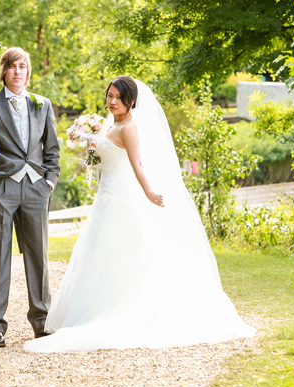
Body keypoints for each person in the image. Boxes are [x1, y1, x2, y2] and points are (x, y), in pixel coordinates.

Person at [24, 76, 255, 353]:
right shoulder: (109, 124)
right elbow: (96, 163)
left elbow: (138, 164)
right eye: (109, 96)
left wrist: (149, 192)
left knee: (126, 252)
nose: (111, 102)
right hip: (105, 198)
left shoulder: (129, 128)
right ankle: (97, 306)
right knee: (99, 254)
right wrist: (88, 143)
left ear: (131, 102)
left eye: (118, 98)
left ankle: (123, 307)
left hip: (123, 196)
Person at [0, 47, 61, 348]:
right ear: (4, 71)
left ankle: (41, 322)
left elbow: (52, 150)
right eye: (13, 66)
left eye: (23, 66)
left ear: (28, 72)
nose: (18, 71)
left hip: (35, 189)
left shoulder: (42, 105)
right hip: (1, 190)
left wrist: (49, 182)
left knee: (38, 257)